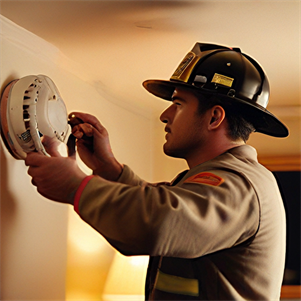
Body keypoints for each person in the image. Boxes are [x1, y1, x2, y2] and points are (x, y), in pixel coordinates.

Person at [25, 42, 289, 301]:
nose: (165, 115)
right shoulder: (228, 180)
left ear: (214, 118)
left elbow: (160, 225)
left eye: (178, 103)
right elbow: (169, 206)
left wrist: (75, 186)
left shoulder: (239, 185)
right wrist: (111, 170)